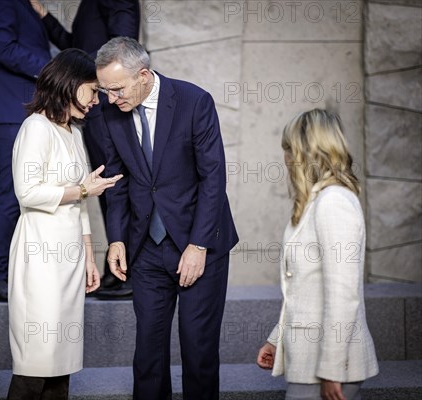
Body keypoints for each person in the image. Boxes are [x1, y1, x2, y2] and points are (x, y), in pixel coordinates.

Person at [96, 37, 239, 399]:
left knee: (198, 348)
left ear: (143, 75)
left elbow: (213, 179)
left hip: (198, 244)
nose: (111, 99)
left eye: (116, 89)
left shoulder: (194, 102)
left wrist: (198, 244)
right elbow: (116, 180)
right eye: (104, 90)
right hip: (145, 247)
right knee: (147, 352)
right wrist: (116, 238)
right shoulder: (111, 110)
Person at [6, 49, 123, 399]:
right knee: (37, 360)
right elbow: (27, 192)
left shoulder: (72, 131)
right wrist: (84, 188)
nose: (96, 101)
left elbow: (80, 201)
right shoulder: (35, 128)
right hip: (40, 255)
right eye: (93, 91)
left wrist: (89, 257)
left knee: (61, 362)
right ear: (70, 85)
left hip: (69, 257)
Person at [256, 109, 379, 400]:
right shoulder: (316, 201)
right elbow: (303, 289)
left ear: (305, 152)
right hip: (308, 358)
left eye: (289, 149)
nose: (284, 158)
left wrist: (332, 370)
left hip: (324, 365)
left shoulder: (333, 202)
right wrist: (277, 340)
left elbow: (342, 294)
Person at [30, 0, 141, 298]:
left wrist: (78, 78)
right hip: (97, 110)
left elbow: (123, 49)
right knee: (106, 185)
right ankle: (119, 271)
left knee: (115, 184)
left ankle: (128, 274)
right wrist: (46, 18)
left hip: (108, 108)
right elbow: (76, 47)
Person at [0, 0, 53, 302]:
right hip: (10, 109)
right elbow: (3, 47)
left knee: (28, 191)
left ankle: (13, 276)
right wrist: (55, 71)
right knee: (11, 191)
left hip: (23, 108)